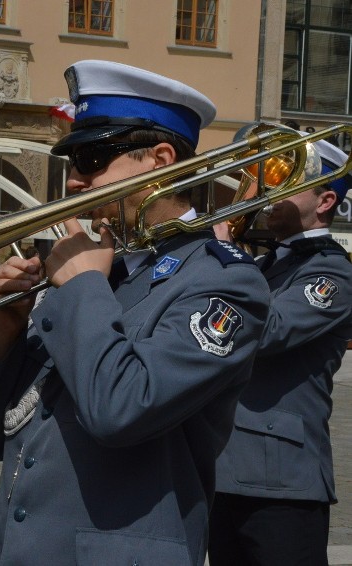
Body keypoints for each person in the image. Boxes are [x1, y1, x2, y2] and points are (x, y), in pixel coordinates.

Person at [0, 60, 271, 565]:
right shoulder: (102, 269)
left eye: (92, 160)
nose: (76, 181)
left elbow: (121, 409)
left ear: (159, 159)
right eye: (72, 163)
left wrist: (81, 286)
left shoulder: (223, 281)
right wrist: (6, 333)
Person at [209, 140, 352, 565]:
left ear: (325, 200)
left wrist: (228, 254)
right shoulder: (264, 267)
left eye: (286, 183)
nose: (269, 195)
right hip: (225, 466)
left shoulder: (332, 272)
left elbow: (267, 331)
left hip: (283, 479)